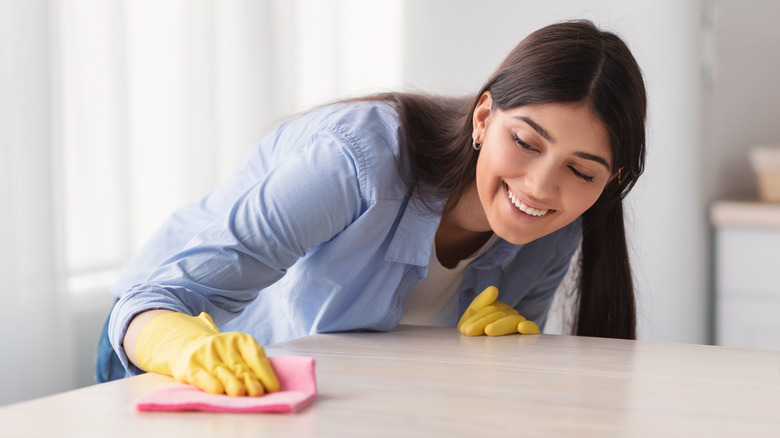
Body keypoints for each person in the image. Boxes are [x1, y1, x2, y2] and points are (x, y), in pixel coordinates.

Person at [96, 19, 647, 397]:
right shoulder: (354, 163)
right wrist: (186, 348)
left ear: (610, 179)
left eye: (580, 171)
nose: (541, 186)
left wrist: (492, 354)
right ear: (484, 118)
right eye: (526, 142)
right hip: (155, 345)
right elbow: (158, 297)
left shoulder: (557, 232)